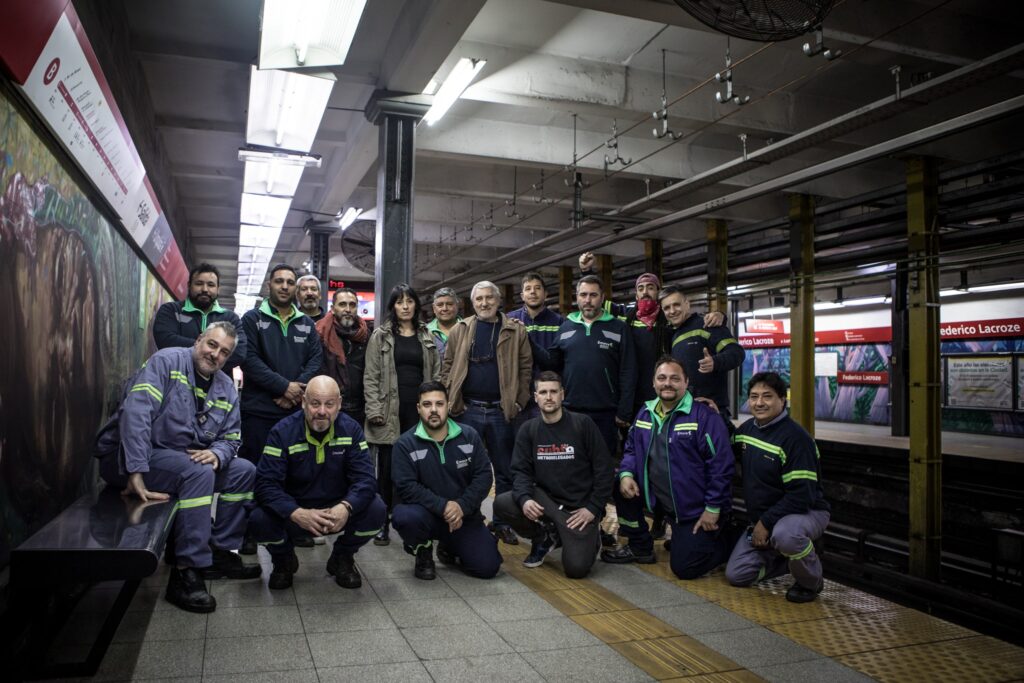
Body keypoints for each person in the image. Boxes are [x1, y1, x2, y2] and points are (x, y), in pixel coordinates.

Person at [95, 322, 260, 613]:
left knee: (244, 470)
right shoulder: (167, 362)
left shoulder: (225, 387)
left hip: (177, 460)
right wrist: (134, 471)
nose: (215, 355)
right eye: (212, 345)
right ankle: (187, 569)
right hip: (128, 456)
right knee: (196, 473)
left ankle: (218, 551)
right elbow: (136, 415)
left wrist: (218, 454)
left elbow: (232, 437)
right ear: (198, 340)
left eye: (224, 352)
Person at [602, 356, 735, 580]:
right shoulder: (645, 412)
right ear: (653, 383)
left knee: (685, 567)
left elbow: (721, 465)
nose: (667, 383)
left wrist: (713, 508)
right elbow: (632, 449)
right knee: (618, 483)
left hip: (696, 509)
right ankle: (640, 546)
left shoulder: (703, 416)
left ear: (686, 382)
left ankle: (731, 539)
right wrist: (626, 474)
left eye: (675, 379)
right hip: (661, 501)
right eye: (661, 378)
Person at [249, 376, 386, 590]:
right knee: (258, 519)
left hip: (336, 510)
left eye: (329, 404)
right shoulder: (282, 432)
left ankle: (343, 556)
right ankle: (283, 559)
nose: (322, 411)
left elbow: (366, 479)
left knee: (377, 510)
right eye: (315, 403)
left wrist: (346, 507)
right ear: (303, 401)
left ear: (339, 404)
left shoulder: (352, 431)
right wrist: (296, 512)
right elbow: (265, 484)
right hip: (295, 511)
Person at [494, 371, 613, 577]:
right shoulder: (528, 430)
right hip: (546, 504)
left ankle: (592, 537)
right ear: (535, 397)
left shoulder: (582, 424)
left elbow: (605, 469)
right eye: (543, 392)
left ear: (562, 395)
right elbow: (520, 471)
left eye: (553, 392)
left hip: (578, 511)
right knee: (503, 503)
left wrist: (593, 508)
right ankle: (545, 534)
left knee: (576, 570)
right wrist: (524, 500)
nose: (548, 397)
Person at [238, 265, 323, 551]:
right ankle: (251, 530)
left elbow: (315, 361)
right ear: (269, 285)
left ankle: (295, 527)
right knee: (256, 471)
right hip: (258, 411)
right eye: (279, 281)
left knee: (295, 472)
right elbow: (249, 359)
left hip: (295, 413)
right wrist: (282, 387)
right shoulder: (251, 319)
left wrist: (295, 390)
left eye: (290, 282)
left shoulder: (306, 324)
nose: (285, 286)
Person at [725, 372, 830, 603]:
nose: (759, 402)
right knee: (737, 575)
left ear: (783, 400)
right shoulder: (747, 431)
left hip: (805, 512)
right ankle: (786, 562)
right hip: (765, 517)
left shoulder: (797, 439)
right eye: (753, 397)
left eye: (767, 396)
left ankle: (811, 581)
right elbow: (725, 447)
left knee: (787, 535)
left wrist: (765, 523)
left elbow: (802, 496)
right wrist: (714, 414)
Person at [441, 280, 532, 545]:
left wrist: (519, 401)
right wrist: (451, 398)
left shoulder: (515, 331)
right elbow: (447, 365)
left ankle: (503, 523)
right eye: (479, 299)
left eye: (489, 298)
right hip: (467, 410)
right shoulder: (461, 329)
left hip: (500, 412)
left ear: (498, 300)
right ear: (472, 302)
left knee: (504, 470)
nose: (484, 303)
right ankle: (470, 520)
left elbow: (526, 368)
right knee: (464, 469)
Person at [391, 381, 502, 580]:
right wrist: (444, 506)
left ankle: (450, 546)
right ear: (418, 408)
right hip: (427, 516)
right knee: (404, 516)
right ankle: (422, 550)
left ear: (448, 405)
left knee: (488, 568)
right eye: (427, 405)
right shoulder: (404, 444)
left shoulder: (469, 436)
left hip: (464, 517)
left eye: (439, 404)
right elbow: (406, 487)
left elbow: (484, 476)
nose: (433, 410)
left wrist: (461, 506)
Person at [364, 284, 441, 546]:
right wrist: (374, 409)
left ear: (417, 305)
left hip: (419, 412)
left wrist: (435, 408)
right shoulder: (380, 336)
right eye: (400, 302)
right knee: (386, 469)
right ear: (393, 307)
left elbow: (437, 374)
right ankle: (382, 521)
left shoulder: (427, 336)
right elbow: (371, 376)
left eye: (410, 301)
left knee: (419, 467)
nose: (405, 306)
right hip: (389, 411)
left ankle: (414, 518)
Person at [531, 274, 636, 458]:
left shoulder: (618, 328)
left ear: (602, 298)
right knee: (573, 463)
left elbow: (629, 370)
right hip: (571, 411)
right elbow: (551, 363)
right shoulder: (566, 327)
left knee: (603, 464)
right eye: (583, 295)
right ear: (577, 297)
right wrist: (528, 341)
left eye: (593, 295)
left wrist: (624, 411)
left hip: (606, 413)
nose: (588, 300)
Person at [661, 285, 744, 431]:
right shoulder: (673, 335)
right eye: (667, 308)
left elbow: (737, 352)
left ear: (687, 304)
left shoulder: (707, 324)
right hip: (685, 411)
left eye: (676, 305)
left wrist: (715, 362)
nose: (672, 311)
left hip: (711, 410)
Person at [153, 263, 247, 374]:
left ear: (218, 289)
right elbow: (166, 341)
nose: (205, 289)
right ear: (189, 285)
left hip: (216, 386)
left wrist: (201, 356)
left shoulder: (231, 318)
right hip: (174, 379)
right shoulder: (171, 310)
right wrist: (214, 351)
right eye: (199, 283)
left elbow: (239, 352)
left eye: (211, 285)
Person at [506, 271, 564, 428]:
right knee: (520, 442)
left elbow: (554, 362)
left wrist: (526, 336)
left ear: (545, 294)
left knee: (546, 442)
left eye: (537, 288)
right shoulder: (509, 320)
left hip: (547, 395)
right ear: (522, 295)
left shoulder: (558, 322)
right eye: (528, 288)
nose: (533, 292)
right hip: (518, 396)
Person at [315, 287, 370, 426]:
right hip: (329, 408)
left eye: (352, 305)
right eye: (342, 304)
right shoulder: (320, 334)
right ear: (333, 309)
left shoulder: (366, 335)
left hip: (361, 409)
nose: (348, 309)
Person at [426, 286, 461, 357]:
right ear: (434, 308)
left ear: (457, 306)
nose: (445, 308)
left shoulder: (469, 329)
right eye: (440, 305)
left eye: (449, 304)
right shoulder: (424, 332)